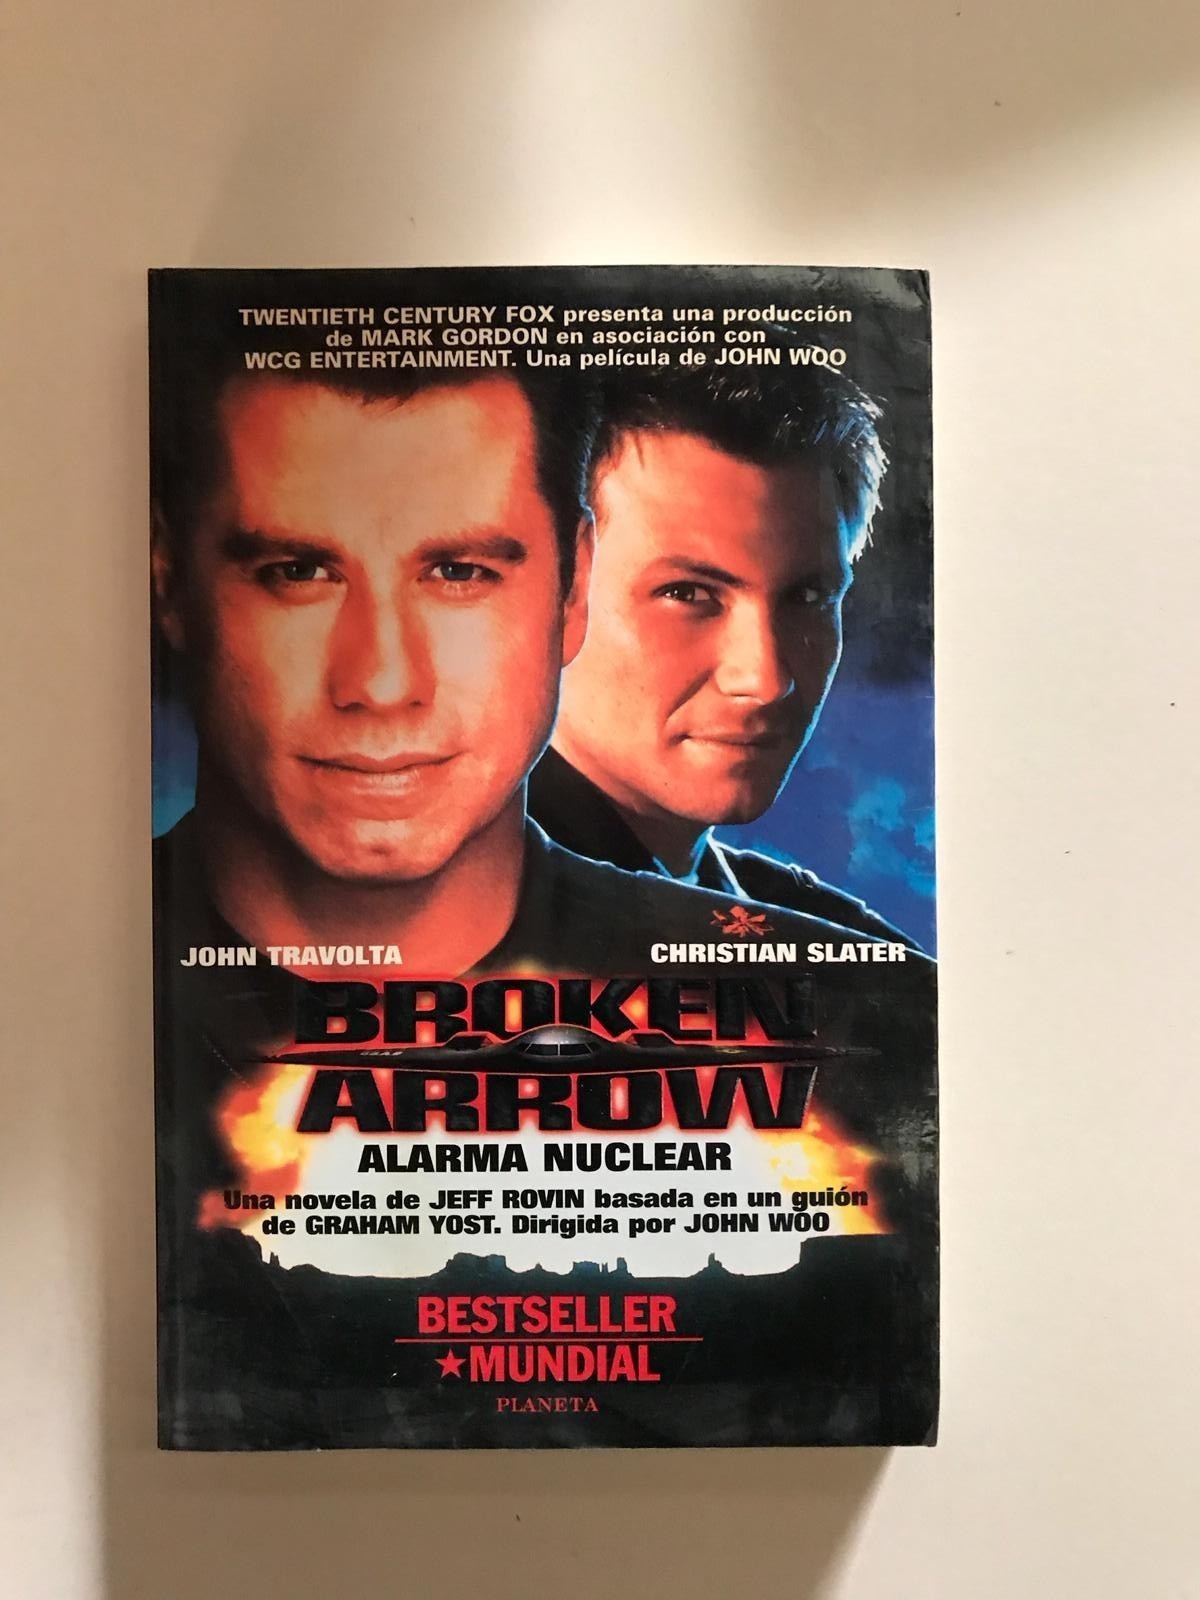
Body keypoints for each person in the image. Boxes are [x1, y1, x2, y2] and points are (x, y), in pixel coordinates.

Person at [528, 359, 916, 945]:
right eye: (687, 594)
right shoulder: (453, 924)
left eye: (808, 597)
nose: (765, 679)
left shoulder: (828, 941)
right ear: (549, 597)